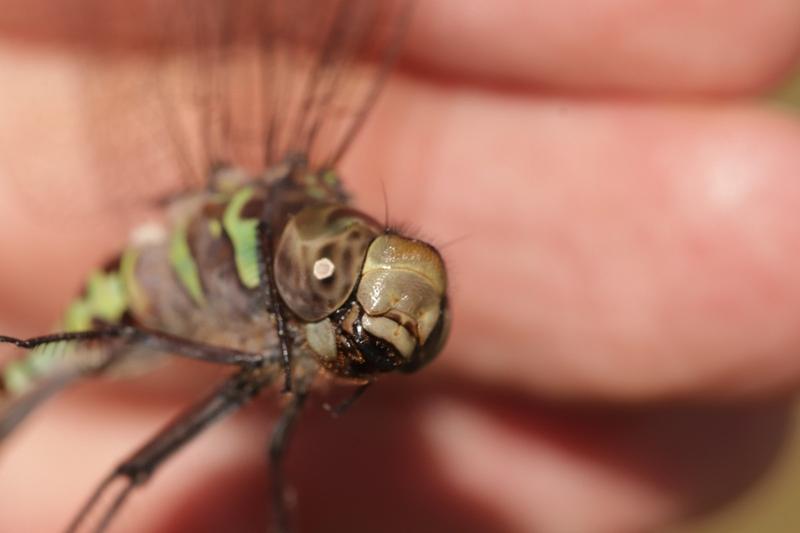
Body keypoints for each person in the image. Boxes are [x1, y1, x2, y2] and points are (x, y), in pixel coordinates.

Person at [1, 1, 800, 531]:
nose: (358, 340)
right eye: (338, 300)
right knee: (132, 471)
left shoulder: (303, 317)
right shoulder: (282, 296)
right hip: (129, 299)